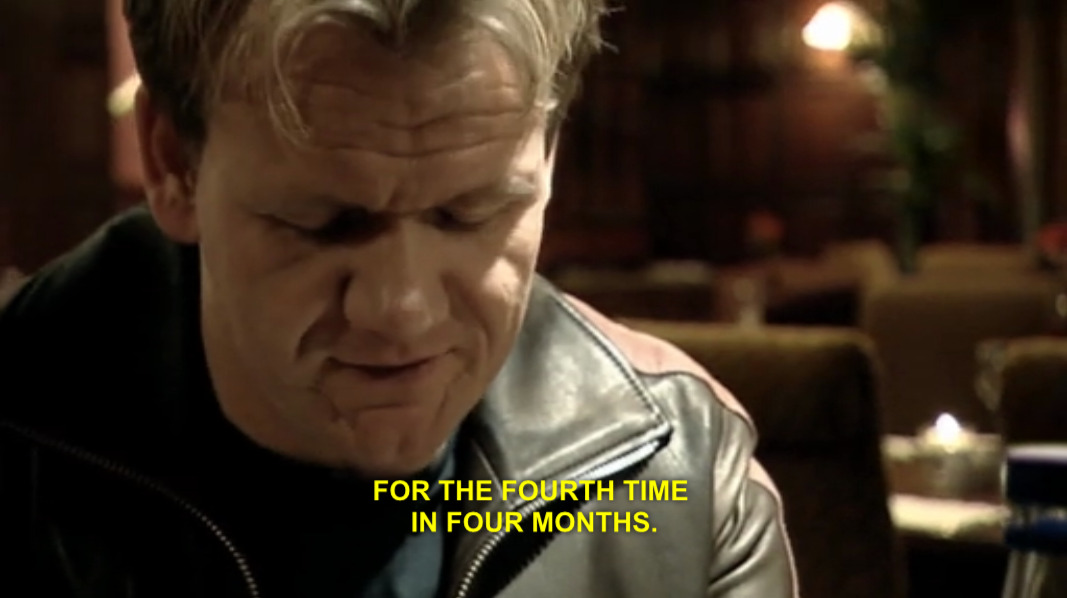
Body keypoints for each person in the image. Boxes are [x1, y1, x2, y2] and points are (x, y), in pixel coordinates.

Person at [0, 1, 797, 596]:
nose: (402, 309)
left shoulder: (676, 476)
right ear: (174, 165)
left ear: (549, 155)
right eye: (324, 224)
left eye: (469, 213)